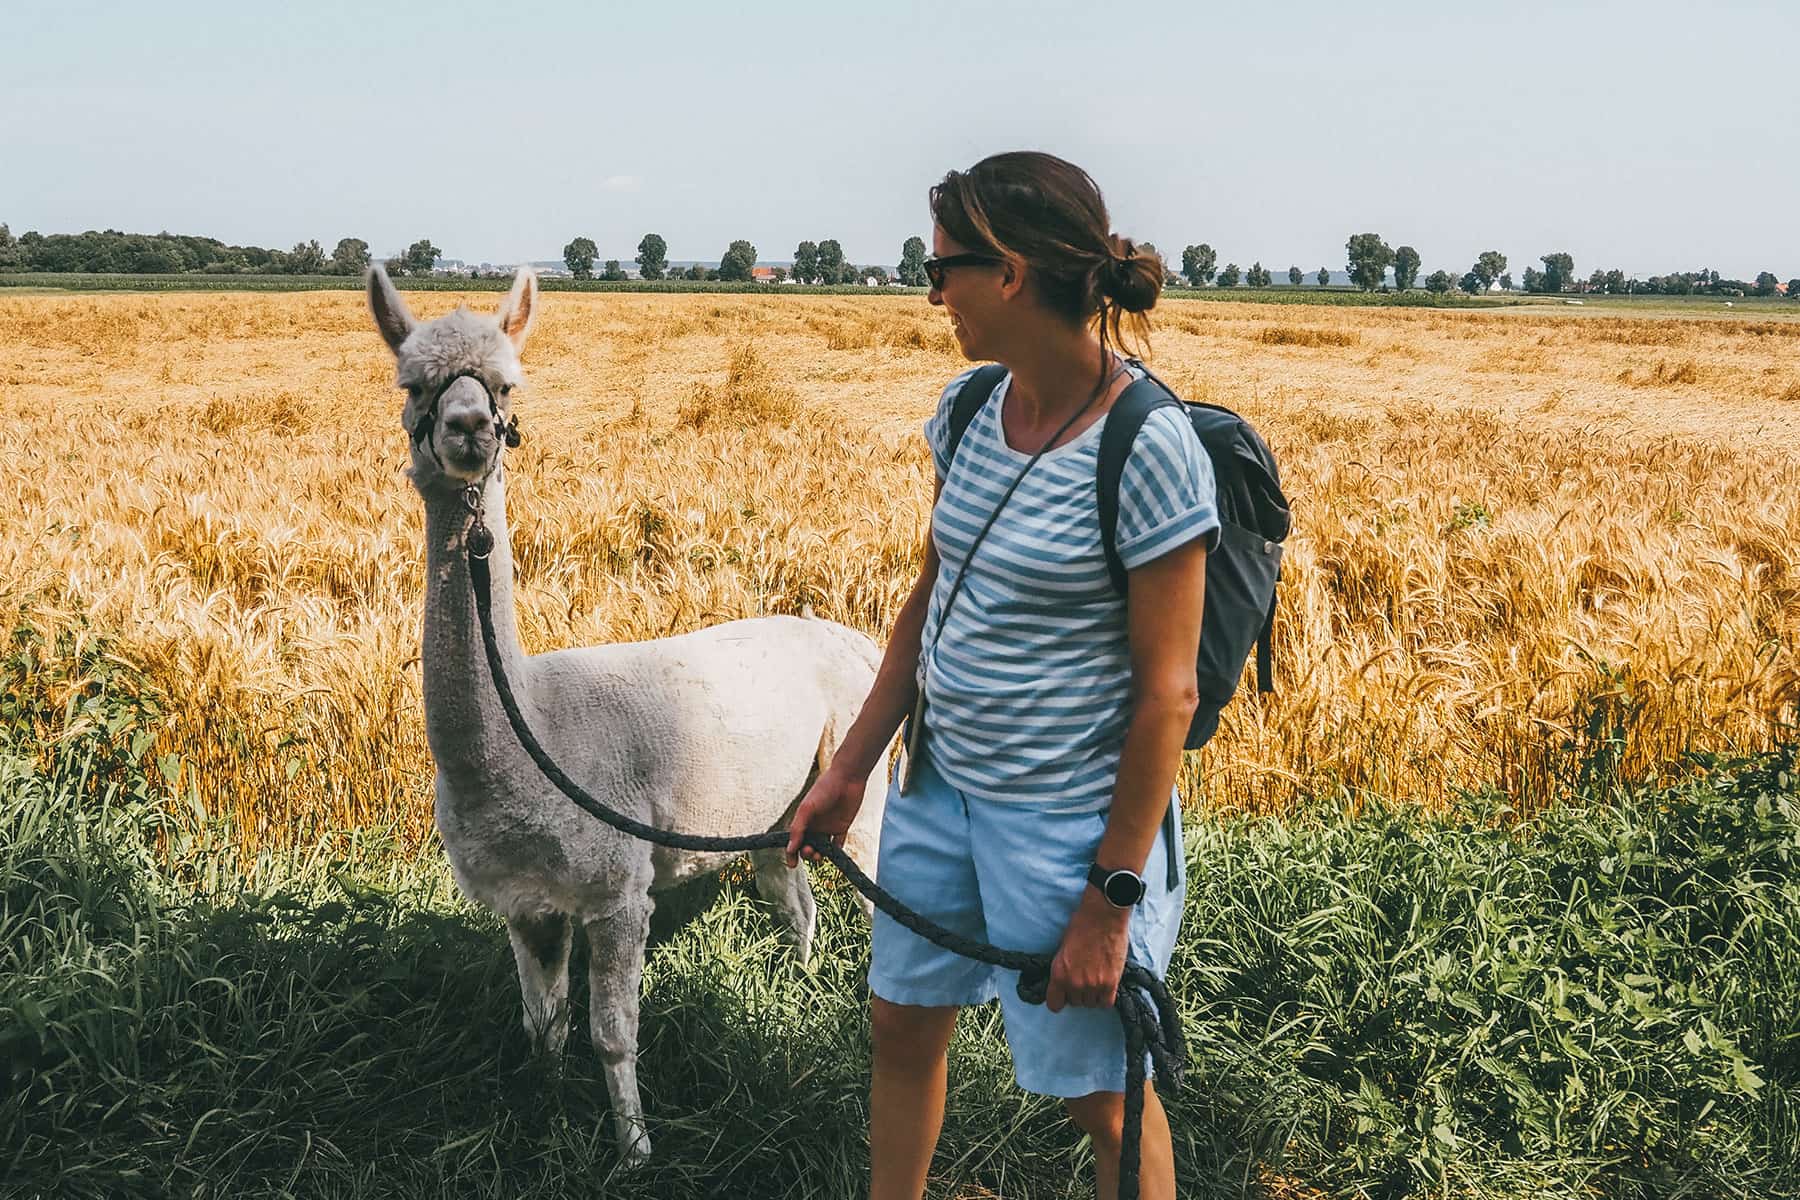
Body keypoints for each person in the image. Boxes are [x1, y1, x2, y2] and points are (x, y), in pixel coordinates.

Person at [786, 150, 1219, 1200]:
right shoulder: (971, 410)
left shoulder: (1147, 446)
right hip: (937, 797)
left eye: (943, 269)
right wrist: (851, 770)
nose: (933, 295)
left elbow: (1169, 694)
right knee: (900, 1027)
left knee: (1101, 1093)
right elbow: (931, 601)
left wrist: (1109, 902)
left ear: (1012, 273)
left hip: (1066, 830)